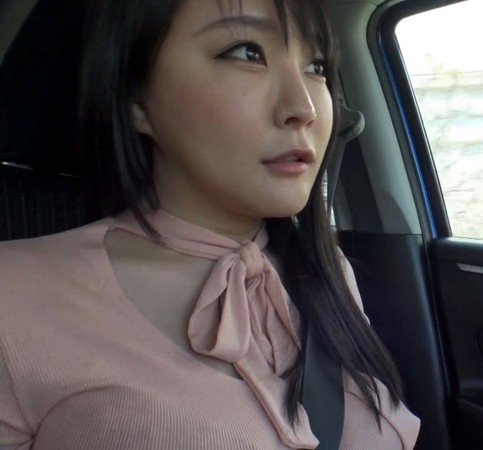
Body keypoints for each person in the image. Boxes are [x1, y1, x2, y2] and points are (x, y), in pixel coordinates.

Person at [0, 0, 420, 448]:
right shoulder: (16, 294)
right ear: (136, 97)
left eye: (316, 66)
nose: (304, 108)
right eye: (247, 52)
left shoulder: (326, 268)